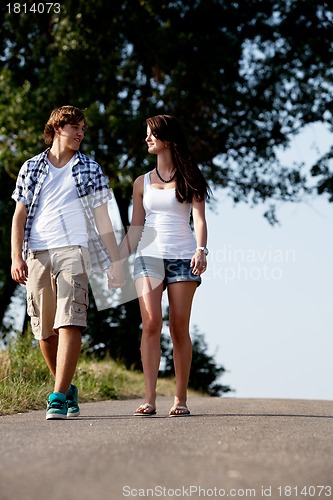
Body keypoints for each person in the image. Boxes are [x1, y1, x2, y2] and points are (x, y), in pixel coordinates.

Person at [11, 105, 124, 420]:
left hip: (75, 249)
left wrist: (117, 260)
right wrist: (15, 256)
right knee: (44, 331)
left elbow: (103, 218)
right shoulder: (31, 167)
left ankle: (58, 396)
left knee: (71, 319)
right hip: (38, 252)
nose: (80, 133)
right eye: (75, 127)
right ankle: (68, 386)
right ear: (57, 129)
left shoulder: (90, 168)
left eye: (83, 129)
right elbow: (19, 215)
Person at [119, 114, 211, 417]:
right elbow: (135, 227)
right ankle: (149, 398)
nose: (147, 139)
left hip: (184, 257)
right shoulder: (141, 182)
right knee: (150, 324)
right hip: (148, 257)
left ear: (168, 139)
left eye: (152, 134)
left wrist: (201, 250)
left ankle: (180, 398)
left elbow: (199, 219)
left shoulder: (191, 178)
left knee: (179, 328)